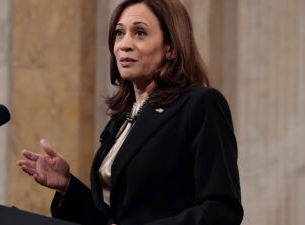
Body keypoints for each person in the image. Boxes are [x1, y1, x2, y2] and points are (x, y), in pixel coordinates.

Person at [17, 0, 244, 224]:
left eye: (139, 33)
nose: (124, 44)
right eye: (119, 33)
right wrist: (67, 186)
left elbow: (222, 211)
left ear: (171, 48)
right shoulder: (122, 117)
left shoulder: (200, 104)